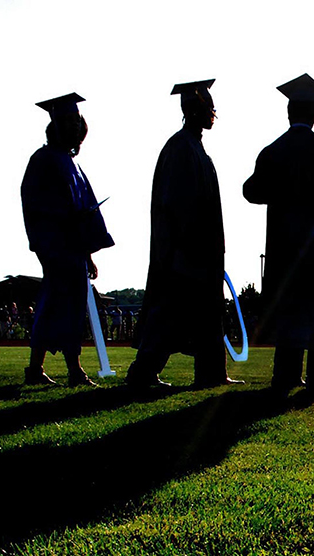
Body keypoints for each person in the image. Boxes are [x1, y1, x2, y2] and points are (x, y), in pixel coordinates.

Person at [244, 73, 314, 395]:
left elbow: (252, 191)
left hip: (281, 246)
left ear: (289, 113)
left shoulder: (273, 150)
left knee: (289, 310)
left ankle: (286, 374)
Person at [128, 79, 241, 389]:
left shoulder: (193, 146)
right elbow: (177, 205)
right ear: (196, 110)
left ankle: (211, 373)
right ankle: (143, 371)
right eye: (210, 108)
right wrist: (184, 247)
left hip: (199, 251)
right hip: (185, 251)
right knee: (170, 314)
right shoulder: (181, 148)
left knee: (206, 313)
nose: (213, 114)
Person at [20, 93, 114, 387]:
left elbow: (82, 209)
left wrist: (87, 254)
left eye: (77, 122)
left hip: (72, 249)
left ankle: (43, 370)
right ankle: (70, 370)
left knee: (66, 308)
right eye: (69, 122)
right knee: (56, 306)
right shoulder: (44, 160)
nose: (74, 128)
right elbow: (36, 206)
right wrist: (47, 244)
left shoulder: (71, 163)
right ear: (56, 125)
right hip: (56, 246)